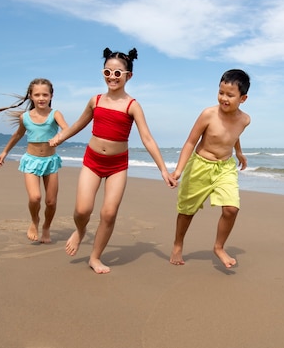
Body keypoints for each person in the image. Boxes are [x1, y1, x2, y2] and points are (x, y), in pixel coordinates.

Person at [49, 47, 176, 274]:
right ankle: (80, 231)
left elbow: (147, 138)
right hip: (92, 161)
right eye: (107, 72)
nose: (112, 77)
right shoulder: (95, 100)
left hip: (117, 165)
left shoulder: (132, 105)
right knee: (82, 210)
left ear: (129, 76)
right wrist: (60, 136)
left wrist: (163, 170)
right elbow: (79, 125)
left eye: (118, 73)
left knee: (108, 213)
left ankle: (95, 257)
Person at [169, 69, 251, 268]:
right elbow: (190, 142)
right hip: (200, 166)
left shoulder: (245, 120)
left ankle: (219, 247)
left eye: (230, 95)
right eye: (221, 92)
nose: (224, 98)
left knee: (231, 209)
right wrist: (178, 170)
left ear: (243, 98)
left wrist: (238, 152)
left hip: (225, 167)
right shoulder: (208, 114)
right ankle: (178, 244)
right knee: (187, 210)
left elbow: (233, 134)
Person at [0, 78, 69, 244]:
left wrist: (58, 137)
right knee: (35, 198)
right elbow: (18, 135)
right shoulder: (25, 117)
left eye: (45, 94)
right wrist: (5, 151)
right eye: (37, 94)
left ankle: (46, 227)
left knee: (51, 202)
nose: (41, 98)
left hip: (50, 161)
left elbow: (67, 129)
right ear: (31, 96)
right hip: (31, 161)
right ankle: (35, 221)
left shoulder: (55, 114)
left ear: (51, 95)